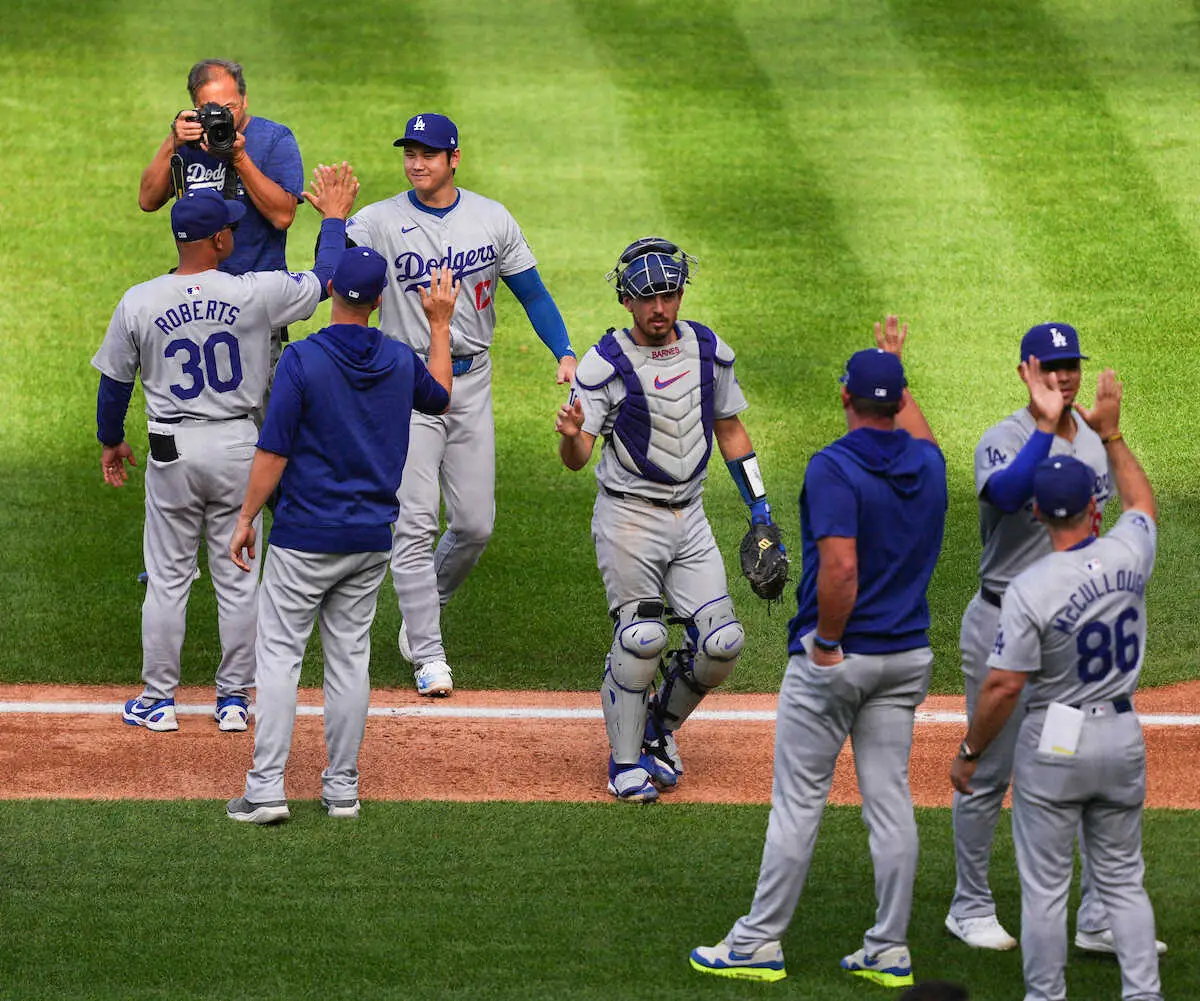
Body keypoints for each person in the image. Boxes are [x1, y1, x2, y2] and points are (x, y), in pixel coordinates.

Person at [690, 320, 945, 987]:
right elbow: (922, 435)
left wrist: (827, 642)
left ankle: (757, 942)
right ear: (896, 402)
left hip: (839, 658)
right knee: (889, 799)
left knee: (798, 802)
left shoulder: (834, 467)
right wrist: (896, 368)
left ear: (844, 398)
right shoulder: (929, 462)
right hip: (906, 656)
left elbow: (839, 568)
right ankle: (889, 947)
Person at [92, 166, 358, 734]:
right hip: (240, 445)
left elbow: (114, 384)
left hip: (172, 450)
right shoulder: (255, 293)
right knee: (238, 577)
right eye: (229, 229)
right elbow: (327, 279)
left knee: (167, 578)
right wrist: (332, 219)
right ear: (217, 240)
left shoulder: (139, 300)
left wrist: (111, 439)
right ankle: (233, 700)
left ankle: (159, 701)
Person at [946, 323, 1163, 958]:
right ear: (1025, 372)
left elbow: (1132, 507)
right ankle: (971, 906)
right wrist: (1044, 428)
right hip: (1002, 625)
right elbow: (1011, 495)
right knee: (989, 770)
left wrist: (1108, 430)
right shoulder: (1004, 439)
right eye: (1051, 367)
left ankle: (1098, 916)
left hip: (1069, 640)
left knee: (1073, 762)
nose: (1064, 377)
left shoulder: (1097, 440)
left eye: (1071, 366)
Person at [346, 112, 576, 697]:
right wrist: (329, 220)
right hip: (404, 382)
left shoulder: (491, 218)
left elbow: (533, 292)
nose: (415, 162)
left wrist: (565, 351)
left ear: (454, 159)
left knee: (475, 524)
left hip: (472, 383)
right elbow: (337, 277)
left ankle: (429, 602)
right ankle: (428, 653)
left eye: (427, 153)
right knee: (415, 524)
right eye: (408, 152)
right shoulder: (375, 221)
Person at [225, 254, 456, 825]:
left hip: (304, 536)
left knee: (279, 659)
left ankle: (266, 790)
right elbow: (442, 398)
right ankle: (343, 791)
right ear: (379, 300)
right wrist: (442, 325)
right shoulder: (401, 359)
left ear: (331, 289)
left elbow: (273, 451)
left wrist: (245, 518)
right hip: (370, 539)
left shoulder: (303, 359)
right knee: (350, 662)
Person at [555, 238, 783, 803]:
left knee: (723, 643)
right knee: (642, 638)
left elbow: (730, 430)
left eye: (669, 294)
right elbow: (579, 458)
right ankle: (624, 762)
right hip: (629, 520)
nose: (659, 308)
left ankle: (658, 729)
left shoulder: (708, 350)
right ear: (626, 300)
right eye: (647, 297)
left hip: (692, 517)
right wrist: (568, 437)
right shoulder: (604, 364)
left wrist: (760, 511)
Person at [139, 59, 304, 375]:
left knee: (260, 407)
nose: (223, 117)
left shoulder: (273, 139)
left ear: (244, 99)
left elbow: (283, 215)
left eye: (230, 107)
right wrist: (171, 141)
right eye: (210, 109)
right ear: (195, 109)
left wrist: (239, 158)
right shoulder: (187, 143)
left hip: (255, 299)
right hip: (197, 303)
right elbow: (147, 200)